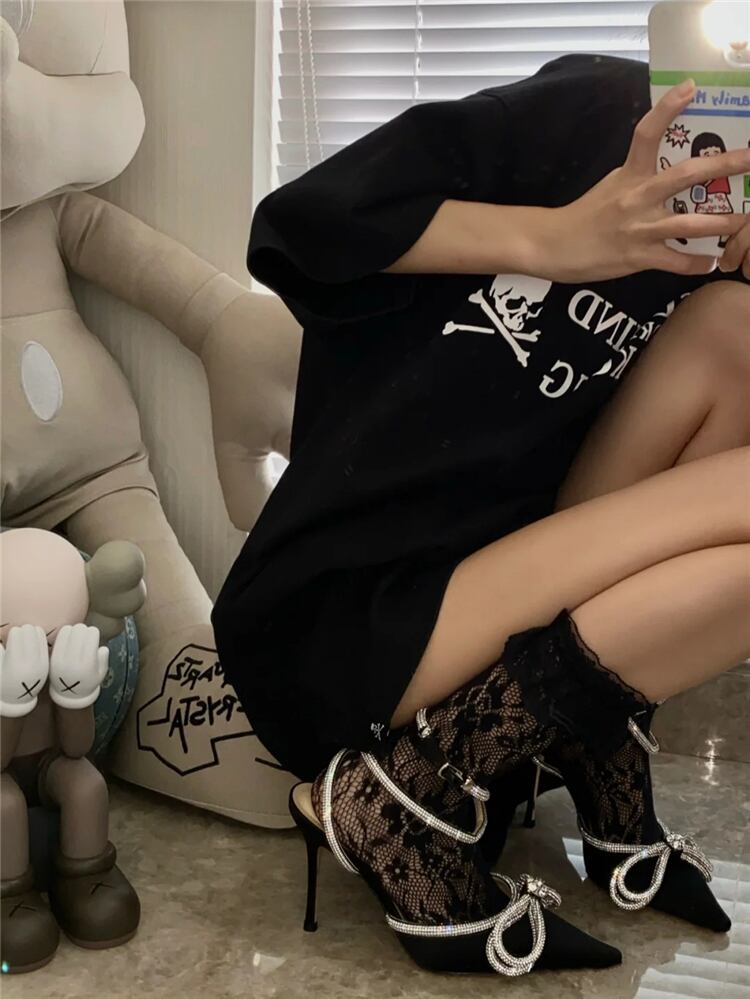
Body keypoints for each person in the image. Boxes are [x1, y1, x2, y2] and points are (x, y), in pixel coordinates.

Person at [212, 55, 750, 977]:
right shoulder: (603, 115)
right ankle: (394, 797)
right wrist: (562, 240)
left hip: (502, 597)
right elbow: (301, 223)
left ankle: (589, 742)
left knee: (734, 336)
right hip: (348, 609)